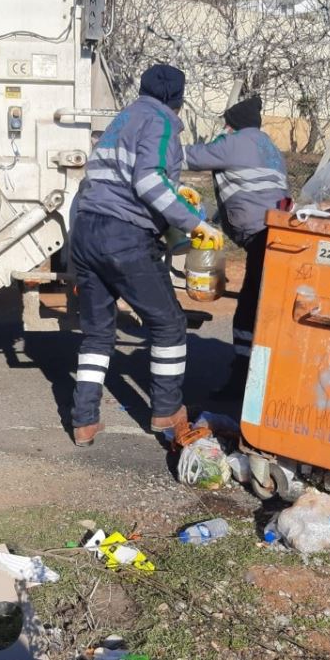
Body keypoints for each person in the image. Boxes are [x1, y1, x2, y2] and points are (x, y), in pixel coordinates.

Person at [69, 63, 222, 446]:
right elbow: (149, 179)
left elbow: (104, 180)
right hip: (122, 235)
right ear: (178, 99)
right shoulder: (162, 120)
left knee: (97, 333)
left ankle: (83, 420)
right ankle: (166, 410)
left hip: (85, 230)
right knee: (168, 322)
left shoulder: (122, 120)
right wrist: (194, 224)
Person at [183, 95, 289, 399]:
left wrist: (151, 151)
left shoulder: (235, 142)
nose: (224, 128)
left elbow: (191, 157)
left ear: (235, 124)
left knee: (248, 308)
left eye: (227, 123)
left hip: (261, 234)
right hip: (277, 232)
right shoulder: (267, 146)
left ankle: (242, 381)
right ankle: (258, 374)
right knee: (262, 302)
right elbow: (252, 186)